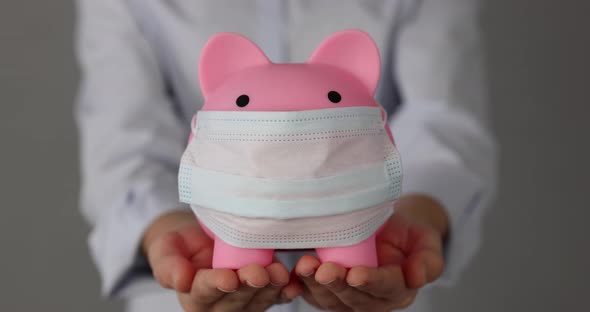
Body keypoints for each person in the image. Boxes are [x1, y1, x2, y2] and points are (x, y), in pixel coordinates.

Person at [75, 0, 496, 311]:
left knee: (352, 258)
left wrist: (419, 211)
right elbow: (124, 135)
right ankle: (243, 250)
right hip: (194, 272)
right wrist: (163, 226)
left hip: (377, 262)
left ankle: (341, 248)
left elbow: (441, 116)